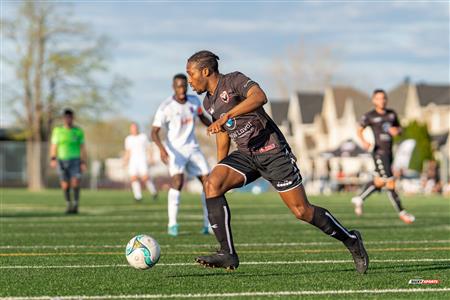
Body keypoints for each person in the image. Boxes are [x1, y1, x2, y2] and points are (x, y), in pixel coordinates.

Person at [186, 50, 368, 273]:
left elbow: (259, 97)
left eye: (191, 74)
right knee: (212, 184)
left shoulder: (233, 80)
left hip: (272, 152)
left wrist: (227, 116)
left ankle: (351, 239)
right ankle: (227, 254)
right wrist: (220, 168)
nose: (189, 81)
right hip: (246, 154)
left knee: (302, 211)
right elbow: (223, 134)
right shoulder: (208, 102)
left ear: (205, 71)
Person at [151, 73, 212, 236]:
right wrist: (162, 150)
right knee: (178, 181)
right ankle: (172, 224)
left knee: (208, 183)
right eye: (178, 86)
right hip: (174, 150)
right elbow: (154, 132)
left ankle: (209, 224)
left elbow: (202, 117)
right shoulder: (166, 107)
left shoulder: (194, 101)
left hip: (193, 148)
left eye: (184, 85)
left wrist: (215, 125)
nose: (182, 89)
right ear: (173, 87)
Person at [351, 89, 415, 224]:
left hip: (389, 152)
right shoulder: (369, 116)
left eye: (384, 98)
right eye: (379, 98)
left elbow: (399, 129)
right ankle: (402, 213)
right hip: (378, 152)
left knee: (380, 181)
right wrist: (364, 142)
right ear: (374, 100)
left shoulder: (392, 114)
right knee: (390, 182)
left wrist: (397, 131)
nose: (382, 101)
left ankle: (359, 198)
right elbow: (359, 130)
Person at [50, 109, 87, 214]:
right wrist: (53, 158)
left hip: (75, 160)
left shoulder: (78, 131)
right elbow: (54, 146)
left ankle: (75, 204)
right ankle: (68, 203)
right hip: (61, 160)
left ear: (72, 118)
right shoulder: (58, 131)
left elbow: (82, 147)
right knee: (65, 184)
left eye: (70, 117)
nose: (68, 120)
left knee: (75, 182)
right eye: (66, 118)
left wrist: (83, 161)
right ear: (63, 119)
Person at [123, 122, 158, 201]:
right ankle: (138, 196)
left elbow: (149, 148)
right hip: (133, 160)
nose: (133, 129)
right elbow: (128, 151)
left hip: (142, 159)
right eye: (132, 128)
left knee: (145, 178)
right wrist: (125, 160)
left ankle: (153, 192)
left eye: (135, 128)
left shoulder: (143, 137)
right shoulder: (128, 139)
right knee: (133, 178)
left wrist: (151, 158)